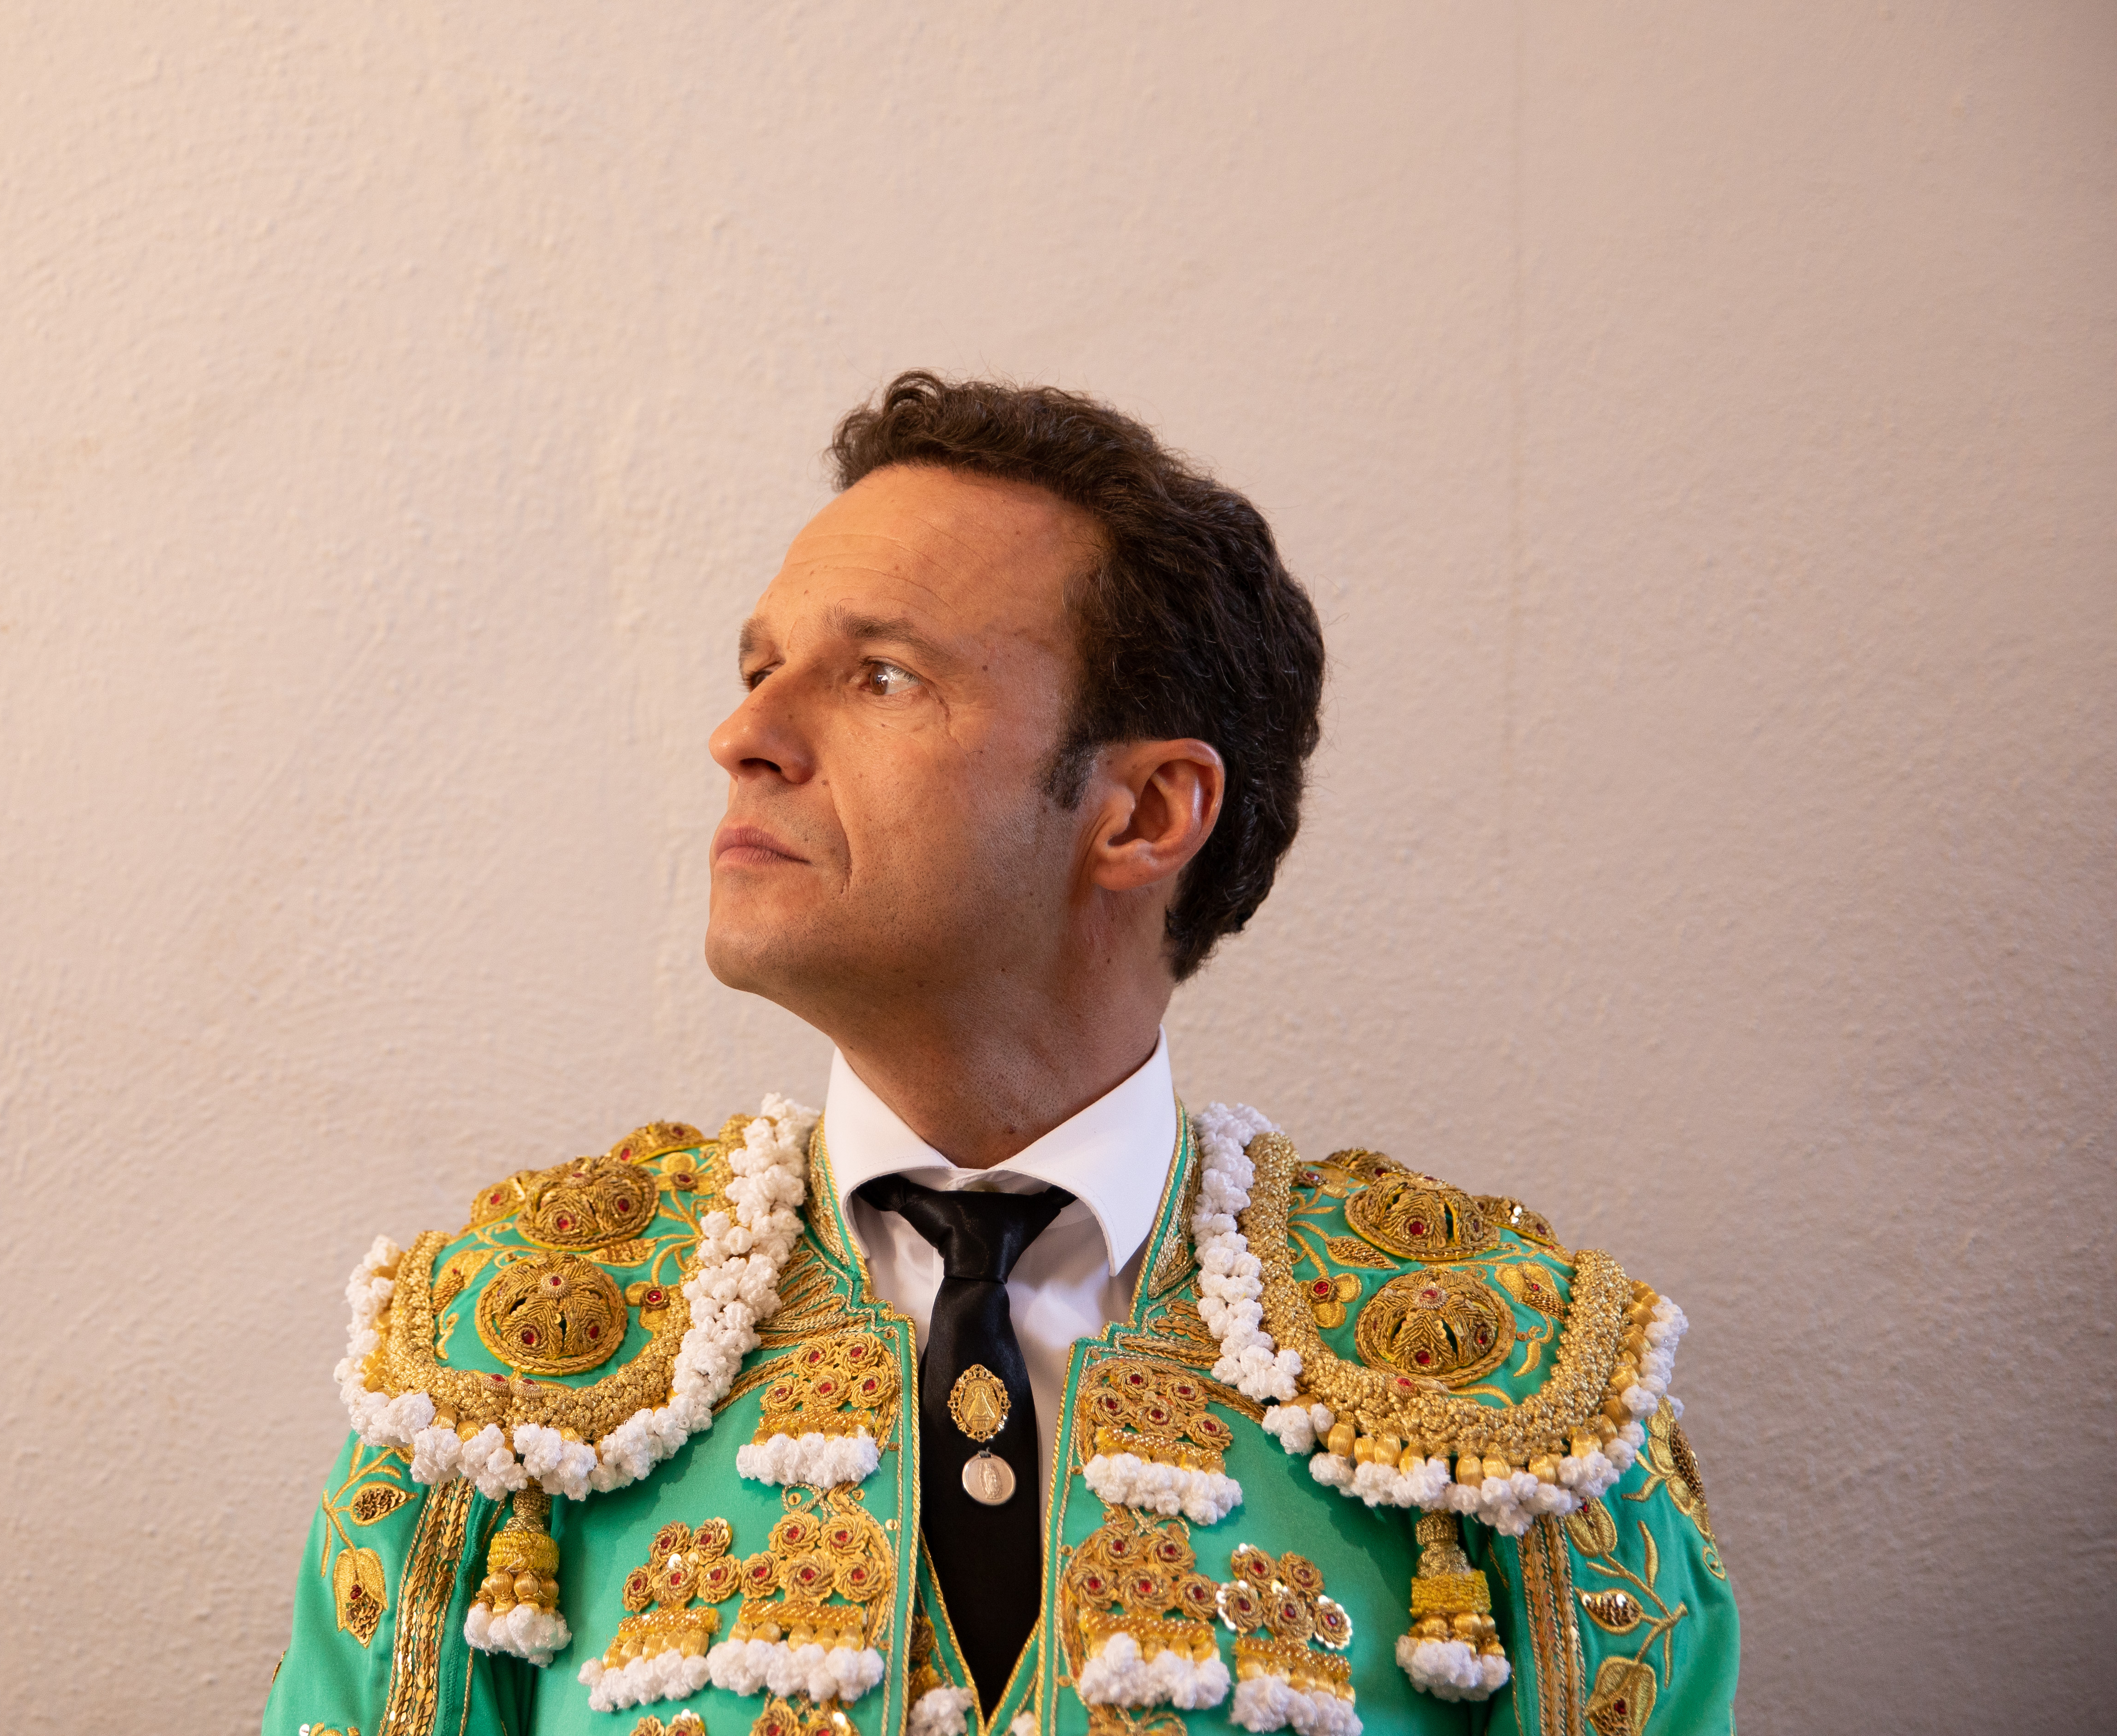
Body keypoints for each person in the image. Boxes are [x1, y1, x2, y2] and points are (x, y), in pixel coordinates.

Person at [263, 373, 1736, 1736]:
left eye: (884, 675)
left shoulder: (1519, 1392)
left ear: (1146, 814)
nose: (744, 733)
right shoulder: (488, 1360)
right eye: (762, 665)